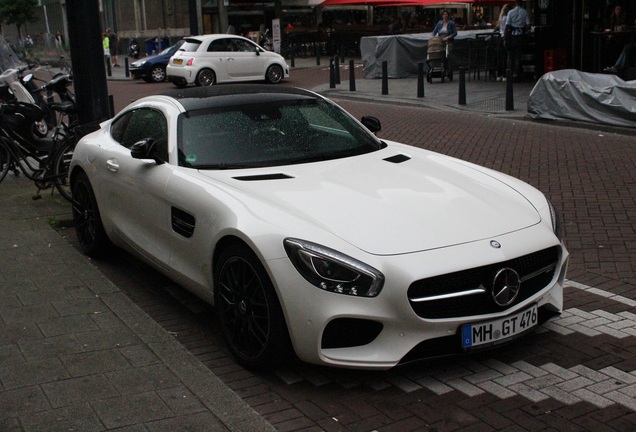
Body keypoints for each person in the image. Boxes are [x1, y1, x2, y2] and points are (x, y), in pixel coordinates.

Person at [505, 0, 529, 80]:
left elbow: (507, 26)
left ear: (515, 3)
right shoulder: (524, 12)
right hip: (520, 36)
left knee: (510, 56)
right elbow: (528, 24)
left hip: (512, 36)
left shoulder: (510, 12)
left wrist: (505, 38)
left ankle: (510, 73)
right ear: (522, 3)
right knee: (518, 56)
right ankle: (516, 74)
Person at [496, 4, 511, 81]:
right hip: (505, 37)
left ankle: (499, 75)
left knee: (499, 57)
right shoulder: (507, 18)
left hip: (499, 37)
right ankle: (504, 75)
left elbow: (498, 28)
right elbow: (507, 29)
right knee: (505, 57)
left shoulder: (500, 18)